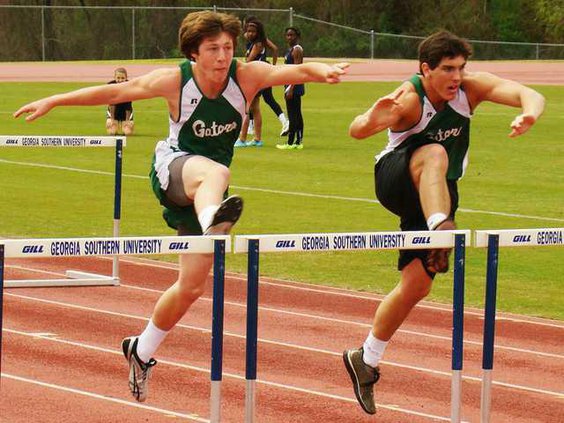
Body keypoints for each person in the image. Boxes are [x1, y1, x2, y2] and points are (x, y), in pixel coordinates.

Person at [14, 10, 348, 403]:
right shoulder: (175, 80)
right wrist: (55, 100)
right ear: (194, 53)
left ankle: (141, 349)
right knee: (215, 174)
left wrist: (324, 69)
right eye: (213, 49)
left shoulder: (247, 76)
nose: (223, 56)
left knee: (190, 287)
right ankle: (214, 222)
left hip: (207, 193)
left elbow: (296, 74)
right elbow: (115, 93)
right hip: (174, 171)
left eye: (227, 47)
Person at [342, 30, 545, 415]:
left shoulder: (470, 89)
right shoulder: (409, 98)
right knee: (434, 152)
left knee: (416, 285)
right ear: (426, 69)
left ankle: (365, 358)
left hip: (437, 192)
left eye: (460, 68)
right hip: (396, 178)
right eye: (447, 69)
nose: (456, 76)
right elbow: (357, 130)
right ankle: (441, 227)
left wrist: (529, 112)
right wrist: (373, 117)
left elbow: (527, 93)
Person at [242, 16, 289, 140]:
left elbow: (249, 60)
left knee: (252, 103)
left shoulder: (258, 44)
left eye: (252, 31)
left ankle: (251, 130)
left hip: (258, 75)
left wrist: (273, 65)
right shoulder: (256, 40)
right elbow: (274, 48)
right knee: (266, 100)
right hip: (262, 74)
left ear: (257, 31)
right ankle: (283, 121)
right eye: (248, 30)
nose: (249, 33)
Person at [276, 27, 305, 150]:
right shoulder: (290, 50)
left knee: (294, 113)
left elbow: (297, 70)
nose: (289, 37)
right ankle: (296, 142)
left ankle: (292, 142)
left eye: (292, 35)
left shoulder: (297, 50)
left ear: (297, 36)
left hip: (294, 85)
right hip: (289, 83)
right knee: (294, 112)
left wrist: (291, 88)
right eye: (287, 35)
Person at [106, 67, 134, 136]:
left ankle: (127, 126)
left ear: (126, 78)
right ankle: (114, 125)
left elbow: (128, 106)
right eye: (118, 78)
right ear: (115, 77)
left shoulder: (129, 86)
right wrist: (112, 120)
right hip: (114, 112)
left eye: (122, 78)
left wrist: (127, 122)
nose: (120, 80)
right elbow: (111, 104)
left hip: (125, 113)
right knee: (112, 133)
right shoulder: (110, 86)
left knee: (127, 133)